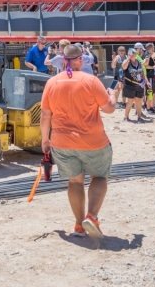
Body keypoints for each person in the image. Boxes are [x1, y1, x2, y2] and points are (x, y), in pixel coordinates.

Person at [40, 44, 116, 239]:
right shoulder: (91, 80)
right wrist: (113, 95)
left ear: (62, 60)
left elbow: (45, 115)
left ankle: (78, 226)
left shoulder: (52, 83)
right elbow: (108, 109)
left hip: (61, 142)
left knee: (75, 182)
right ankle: (91, 216)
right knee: (99, 177)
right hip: (93, 141)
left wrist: (45, 140)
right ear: (81, 59)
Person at [121, 47, 145, 122]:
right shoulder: (127, 61)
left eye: (134, 53)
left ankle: (139, 117)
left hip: (139, 84)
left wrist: (146, 81)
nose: (133, 55)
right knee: (130, 101)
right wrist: (128, 58)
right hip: (130, 85)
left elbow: (143, 73)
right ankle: (126, 116)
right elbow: (124, 67)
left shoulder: (139, 62)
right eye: (132, 53)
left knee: (139, 101)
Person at [143, 44, 155, 115]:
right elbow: (145, 66)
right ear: (151, 48)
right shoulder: (147, 55)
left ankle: (150, 107)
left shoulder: (150, 55)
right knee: (149, 92)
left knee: (151, 92)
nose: (154, 48)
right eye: (153, 47)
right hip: (149, 76)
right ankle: (148, 108)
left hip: (151, 76)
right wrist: (153, 67)